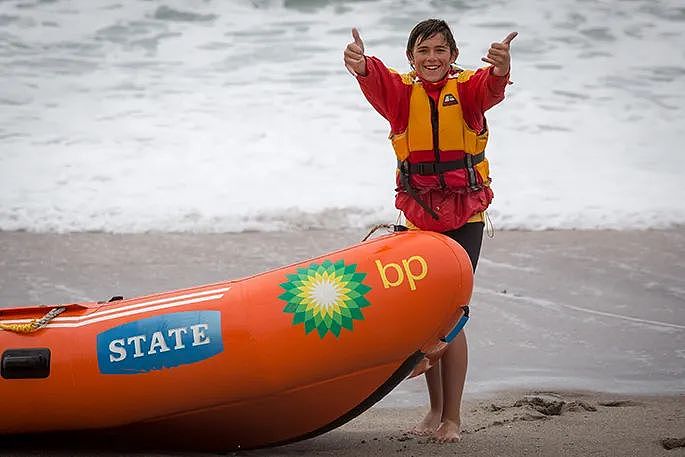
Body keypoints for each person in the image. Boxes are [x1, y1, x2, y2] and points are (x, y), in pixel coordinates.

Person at [343, 19, 516, 442]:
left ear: (453, 56)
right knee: (425, 316)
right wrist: (361, 65)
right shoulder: (401, 95)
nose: (432, 59)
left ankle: (452, 418)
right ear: (411, 58)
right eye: (423, 52)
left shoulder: (471, 91)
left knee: (451, 314)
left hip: (464, 218)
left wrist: (500, 69)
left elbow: (491, 89)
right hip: (419, 216)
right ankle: (434, 411)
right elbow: (377, 81)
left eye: (440, 51)